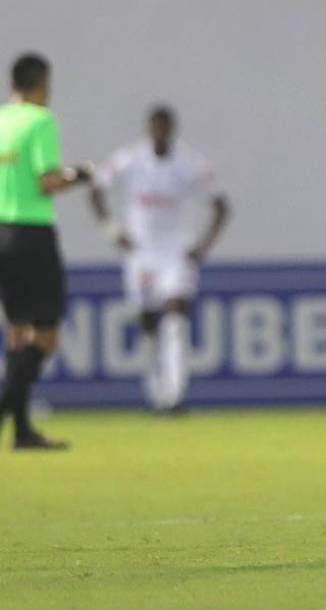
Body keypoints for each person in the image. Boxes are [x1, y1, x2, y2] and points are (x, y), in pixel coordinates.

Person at [90, 105, 229, 413]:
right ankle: (156, 391)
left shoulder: (190, 163)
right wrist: (112, 232)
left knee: (176, 318)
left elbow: (221, 206)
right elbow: (96, 189)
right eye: (155, 128)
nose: (160, 134)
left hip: (176, 251)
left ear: (172, 130)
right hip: (141, 253)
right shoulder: (130, 160)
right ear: (149, 129)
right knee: (149, 324)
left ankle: (175, 395)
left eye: (165, 128)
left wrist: (203, 246)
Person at [0, 53, 93, 449]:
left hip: (0, 230)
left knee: (18, 332)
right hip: (30, 233)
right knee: (45, 335)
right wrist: (80, 175)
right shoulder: (40, 121)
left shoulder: (2, 120)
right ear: (41, 83)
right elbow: (48, 181)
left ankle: (22, 431)